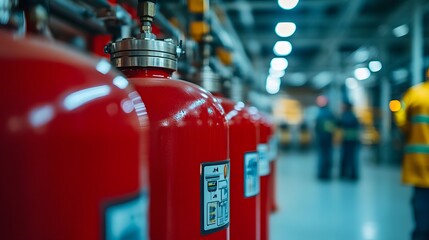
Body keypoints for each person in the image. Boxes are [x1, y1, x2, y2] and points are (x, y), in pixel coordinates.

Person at [394, 69, 429, 240]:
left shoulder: (415, 94)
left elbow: (401, 119)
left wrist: (412, 134)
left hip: (420, 161)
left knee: (422, 203)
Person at [315, 95, 336, 180]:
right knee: (328, 155)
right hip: (328, 138)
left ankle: (322, 173)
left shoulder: (320, 113)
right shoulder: (330, 113)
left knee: (322, 156)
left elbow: (317, 127)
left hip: (322, 138)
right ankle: (327, 173)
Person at [338, 101, 360, 180]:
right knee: (353, 158)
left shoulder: (344, 116)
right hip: (353, 140)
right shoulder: (354, 116)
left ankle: (343, 174)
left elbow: (339, 125)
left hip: (346, 139)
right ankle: (353, 175)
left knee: (344, 157)